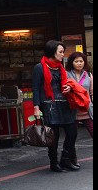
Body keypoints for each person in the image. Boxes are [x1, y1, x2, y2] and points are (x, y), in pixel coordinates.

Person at [32, 39, 78, 172]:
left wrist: (69, 89)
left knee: (72, 132)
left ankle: (65, 159)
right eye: (61, 52)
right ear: (52, 52)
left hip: (65, 104)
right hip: (49, 105)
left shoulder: (60, 67)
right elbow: (35, 89)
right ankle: (54, 162)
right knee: (53, 135)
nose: (63, 54)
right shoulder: (39, 67)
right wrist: (36, 107)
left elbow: (64, 84)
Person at [65, 51, 93, 137]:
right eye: (76, 61)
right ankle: (68, 150)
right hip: (72, 110)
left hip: (87, 109)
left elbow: (92, 92)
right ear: (71, 62)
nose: (79, 64)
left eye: (81, 61)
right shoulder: (66, 74)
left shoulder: (88, 75)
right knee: (71, 136)